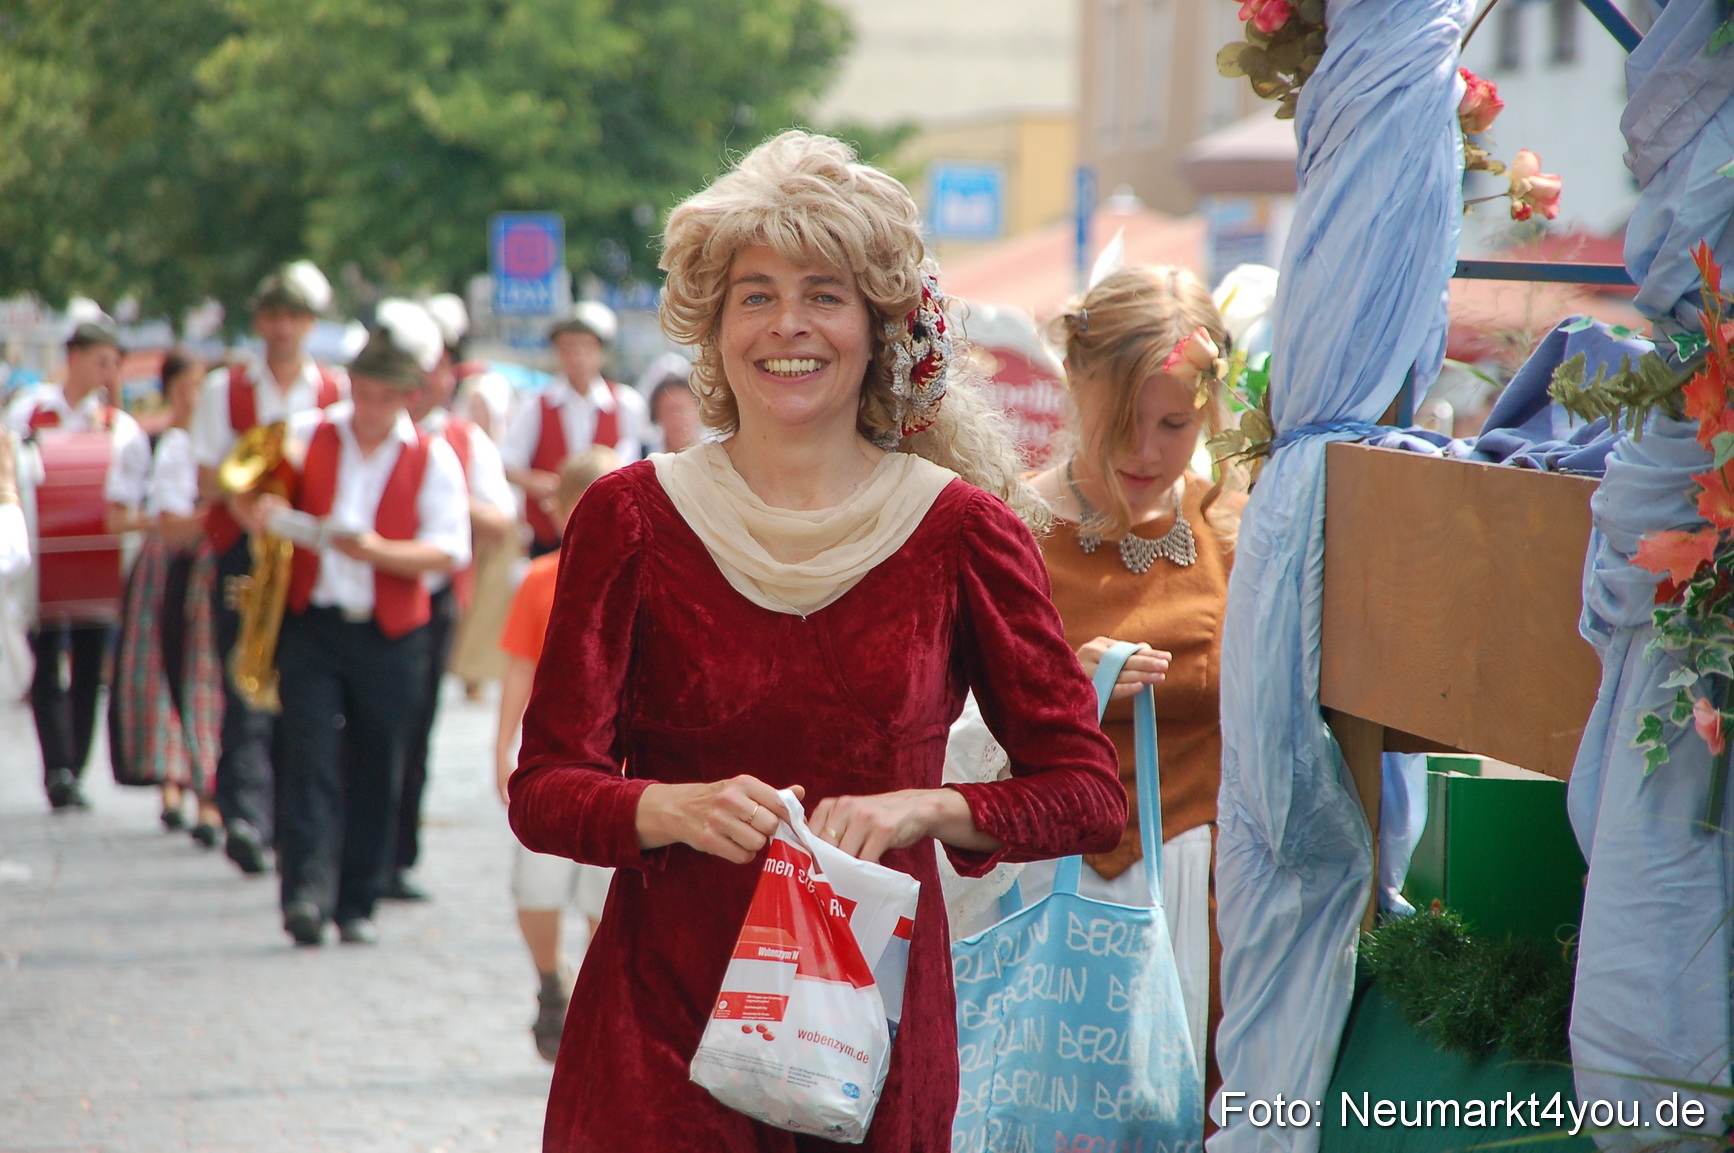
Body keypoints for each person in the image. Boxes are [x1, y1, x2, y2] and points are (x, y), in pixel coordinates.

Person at [508, 130, 1126, 1153]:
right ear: (711, 326)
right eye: (755, 293)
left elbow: (1086, 793)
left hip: (871, 1049)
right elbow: (544, 788)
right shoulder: (628, 518)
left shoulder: (964, 531)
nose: (787, 324)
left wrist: (930, 805)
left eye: (823, 293)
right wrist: (664, 806)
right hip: (658, 1042)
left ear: (879, 325)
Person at [1019, 264, 1245, 1099]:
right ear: (1074, 381)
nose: (1145, 452)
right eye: (1121, 421)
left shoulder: (1236, 522)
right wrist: (1047, 696)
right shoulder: (1003, 529)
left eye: (1175, 423)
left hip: (1200, 906)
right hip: (1038, 901)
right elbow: (935, 735)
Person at [237, 301, 470, 947]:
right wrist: (263, 509)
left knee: (378, 763)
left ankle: (356, 898)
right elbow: (253, 491)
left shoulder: (433, 455)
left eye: (382, 395)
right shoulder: (308, 432)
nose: (367, 406)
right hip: (314, 624)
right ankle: (305, 895)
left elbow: (448, 551)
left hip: (392, 633)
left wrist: (374, 551)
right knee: (308, 756)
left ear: (406, 395)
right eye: (361, 391)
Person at [191, 260, 344, 875]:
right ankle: (246, 817)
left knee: (298, 685)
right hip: (242, 546)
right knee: (242, 671)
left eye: (294, 317)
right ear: (260, 322)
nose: (283, 328)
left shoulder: (335, 390)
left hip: (302, 553)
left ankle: (281, 819)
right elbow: (205, 471)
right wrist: (244, 505)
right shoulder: (222, 389)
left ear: (308, 323)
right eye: (273, 316)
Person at [495, 447, 622, 1062]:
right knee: (537, 888)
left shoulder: (643, 571)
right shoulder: (541, 579)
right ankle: (550, 983)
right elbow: (518, 670)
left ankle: (595, 999)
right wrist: (502, 749)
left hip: (619, 765)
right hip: (552, 758)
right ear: (568, 507)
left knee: (605, 895)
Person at [390, 299, 517, 901]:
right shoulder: (349, 426)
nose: (423, 382)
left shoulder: (462, 441)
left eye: (433, 369)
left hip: (429, 600)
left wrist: (441, 495)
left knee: (411, 729)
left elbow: (499, 521)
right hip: (346, 597)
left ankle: (395, 857)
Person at [6, 319, 150, 811]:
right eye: (101, 360)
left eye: (114, 363)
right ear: (75, 356)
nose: (108, 372)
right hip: (44, 568)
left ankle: (75, 767)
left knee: (90, 668)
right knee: (46, 664)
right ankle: (56, 769)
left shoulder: (119, 427)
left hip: (95, 570)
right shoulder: (28, 413)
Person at [108, 349, 224, 839]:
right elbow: (116, 518)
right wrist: (168, 521)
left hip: (210, 563)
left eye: (201, 388)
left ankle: (206, 795)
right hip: (162, 565)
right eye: (185, 388)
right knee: (158, 675)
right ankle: (172, 787)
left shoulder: (221, 446)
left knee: (206, 677)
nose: (193, 398)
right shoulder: (151, 445)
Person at [501, 300, 650, 556]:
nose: (578, 358)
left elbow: (637, 463)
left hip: (611, 532)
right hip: (550, 537)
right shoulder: (536, 405)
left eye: (586, 349)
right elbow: (507, 463)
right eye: (569, 349)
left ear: (600, 353)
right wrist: (539, 483)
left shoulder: (627, 403)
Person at [647, 372, 703, 454]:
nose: (677, 421)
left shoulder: (717, 455)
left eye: (683, 411)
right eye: (670, 412)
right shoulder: (639, 454)